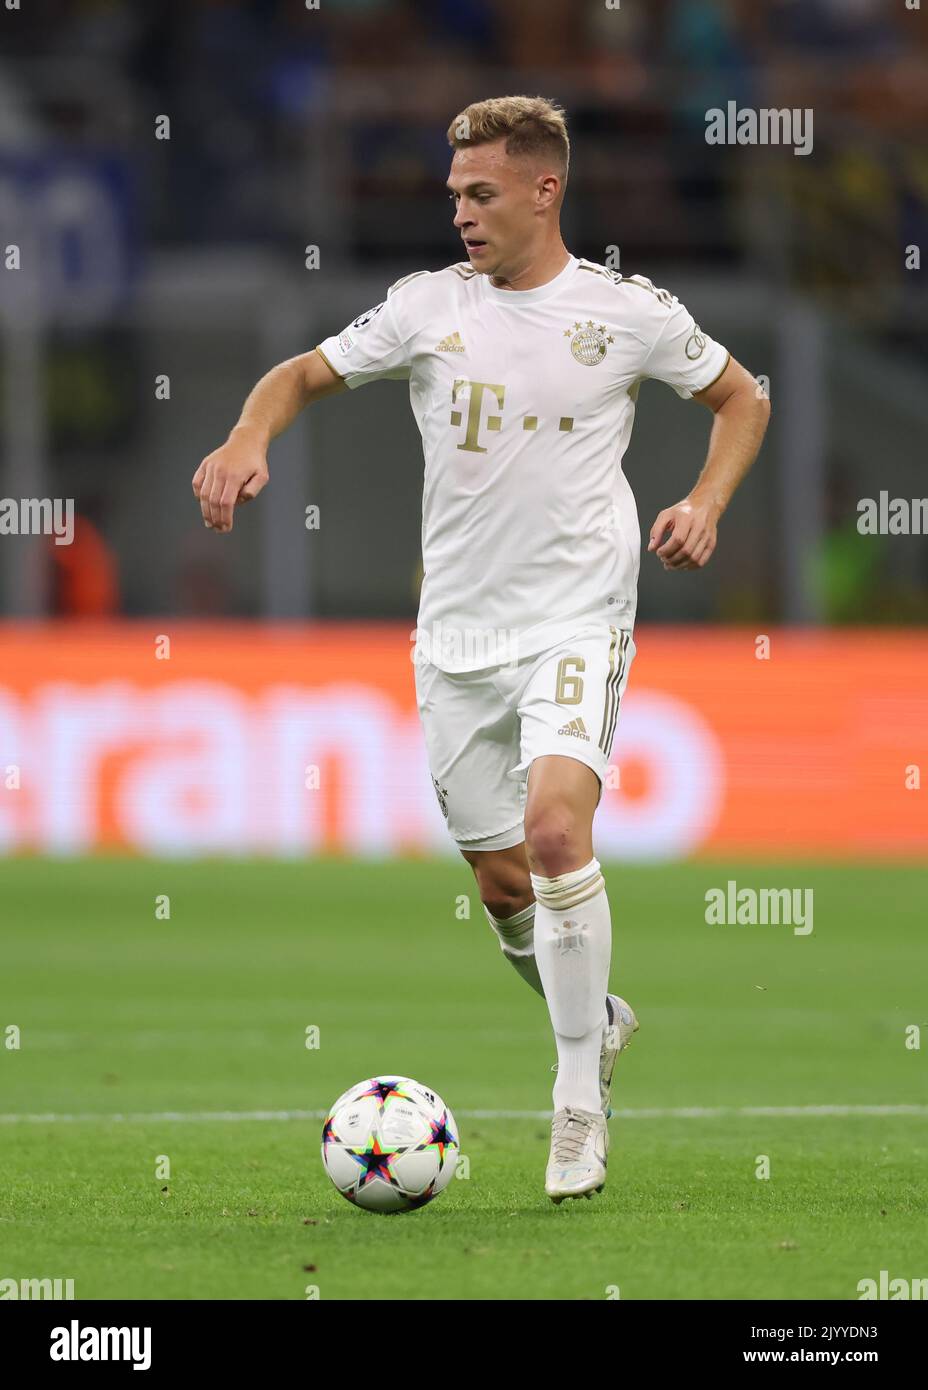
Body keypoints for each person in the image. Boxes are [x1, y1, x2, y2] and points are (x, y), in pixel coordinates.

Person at [192, 95, 770, 1203]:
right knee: (505, 880)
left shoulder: (626, 313)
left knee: (558, 833)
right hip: (456, 633)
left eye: (480, 192)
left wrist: (702, 502)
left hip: (576, 614)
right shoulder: (422, 309)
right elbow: (300, 375)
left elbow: (742, 397)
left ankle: (574, 1106)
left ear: (545, 190)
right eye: (453, 191)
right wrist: (243, 433)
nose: (458, 211)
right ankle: (593, 1021)